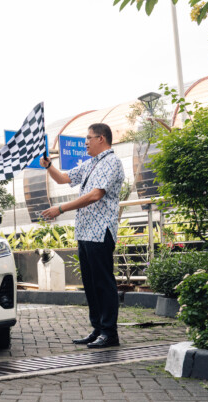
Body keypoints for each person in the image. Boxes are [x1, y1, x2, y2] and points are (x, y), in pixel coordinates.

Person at [40, 123, 124, 349]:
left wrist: (60, 209)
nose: (85, 142)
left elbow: (95, 195)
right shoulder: (91, 163)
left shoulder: (112, 162)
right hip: (86, 232)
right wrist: (49, 166)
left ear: (101, 139)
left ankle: (109, 332)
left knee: (103, 283)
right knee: (90, 284)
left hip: (100, 231)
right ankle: (98, 329)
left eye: (89, 138)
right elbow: (63, 178)